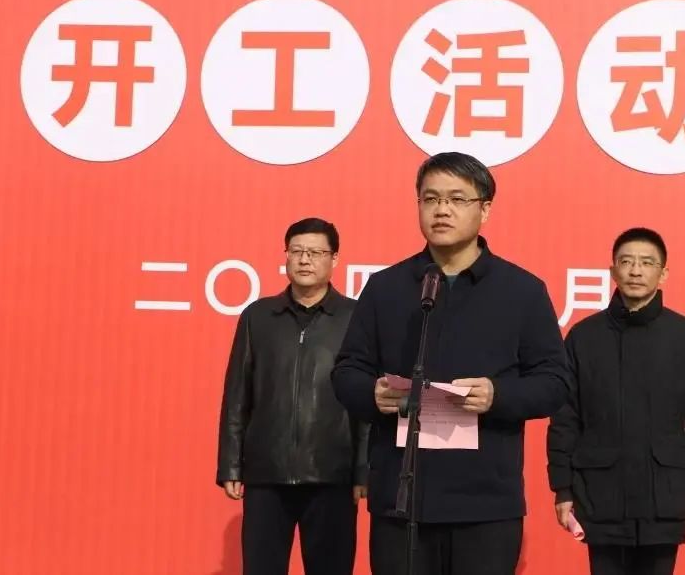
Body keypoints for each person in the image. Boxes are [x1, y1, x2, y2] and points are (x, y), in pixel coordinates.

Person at [331, 152, 570, 575]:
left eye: (457, 199)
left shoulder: (522, 291)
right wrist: (372, 393)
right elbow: (347, 371)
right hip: (402, 499)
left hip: (485, 503)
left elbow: (555, 382)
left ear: (485, 209)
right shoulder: (386, 288)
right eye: (431, 199)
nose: (442, 210)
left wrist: (498, 395)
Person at [547, 227, 685, 575]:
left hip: (665, 496)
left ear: (664, 273)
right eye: (626, 262)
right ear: (612, 271)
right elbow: (565, 418)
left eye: (647, 263)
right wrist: (563, 488)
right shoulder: (584, 337)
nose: (635, 270)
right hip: (600, 493)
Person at [215, 218, 369, 575]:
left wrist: (363, 469)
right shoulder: (258, 316)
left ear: (334, 259)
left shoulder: (355, 318)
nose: (304, 260)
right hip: (266, 474)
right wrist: (231, 464)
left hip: (332, 475)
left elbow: (365, 402)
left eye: (315, 252)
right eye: (296, 251)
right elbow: (237, 395)